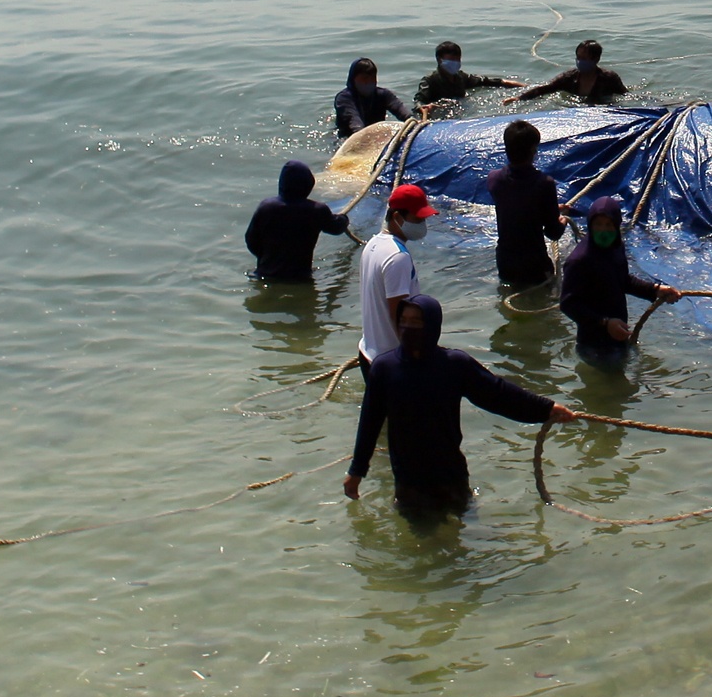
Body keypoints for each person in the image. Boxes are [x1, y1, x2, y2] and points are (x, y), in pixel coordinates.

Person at [342, 294, 575, 515]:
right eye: (403, 321)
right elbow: (370, 422)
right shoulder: (385, 368)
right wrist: (357, 471)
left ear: (431, 325)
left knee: (461, 537)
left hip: (450, 474)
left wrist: (546, 409)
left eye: (416, 322)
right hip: (408, 479)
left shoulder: (454, 365)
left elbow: (499, 395)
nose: (408, 328)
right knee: (418, 542)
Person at [558, 196, 682, 359]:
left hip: (618, 334)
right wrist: (605, 323)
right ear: (590, 225)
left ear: (616, 226)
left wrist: (655, 290)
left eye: (609, 225)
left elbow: (622, 281)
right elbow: (568, 304)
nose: (603, 231)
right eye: (598, 225)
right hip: (593, 344)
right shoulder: (579, 261)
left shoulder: (615, 248)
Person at [358, 184, 435, 374]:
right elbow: (399, 316)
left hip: (368, 352)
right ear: (397, 217)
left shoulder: (373, 244)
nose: (422, 225)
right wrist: (415, 357)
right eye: (417, 219)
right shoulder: (398, 257)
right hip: (390, 362)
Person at [487, 119, 567, 286]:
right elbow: (553, 232)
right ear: (533, 150)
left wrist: (550, 207)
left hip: (505, 262)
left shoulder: (494, 179)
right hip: (534, 265)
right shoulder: (544, 183)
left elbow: (517, 205)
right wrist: (562, 219)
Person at [244, 161, 351, 281]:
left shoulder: (266, 207)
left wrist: (265, 258)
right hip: (299, 278)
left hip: (266, 274)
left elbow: (251, 240)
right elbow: (336, 228)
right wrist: (344, 219)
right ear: (309, 184)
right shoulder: (316, 210)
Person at [505, 40, 627, 106]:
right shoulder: (569, 78)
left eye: (584, 58)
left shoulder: (609, 78)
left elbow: (626, 96)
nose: (580, 61)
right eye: (578, 57)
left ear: (596, 60)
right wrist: (519, 98)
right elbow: (545, 89)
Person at [415, 41, 524, 106]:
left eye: (457, 60)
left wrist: (525, 87)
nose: (455, 63)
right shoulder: (429, 81)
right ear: (439, 60)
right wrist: (424, 107)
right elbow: (419, 101)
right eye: (451, 60)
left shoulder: (461, 77)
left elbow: (489, 81)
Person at [334, 58, 414, 138]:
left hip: (377, 136)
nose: (369, 82)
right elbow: (354, 122)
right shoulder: (344, 99)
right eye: (364, 79)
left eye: (372, 78)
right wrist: (363, 135)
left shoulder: (382, 95)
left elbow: (400, 109)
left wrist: (413, 121)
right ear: (353, 79)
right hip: (349, 138)